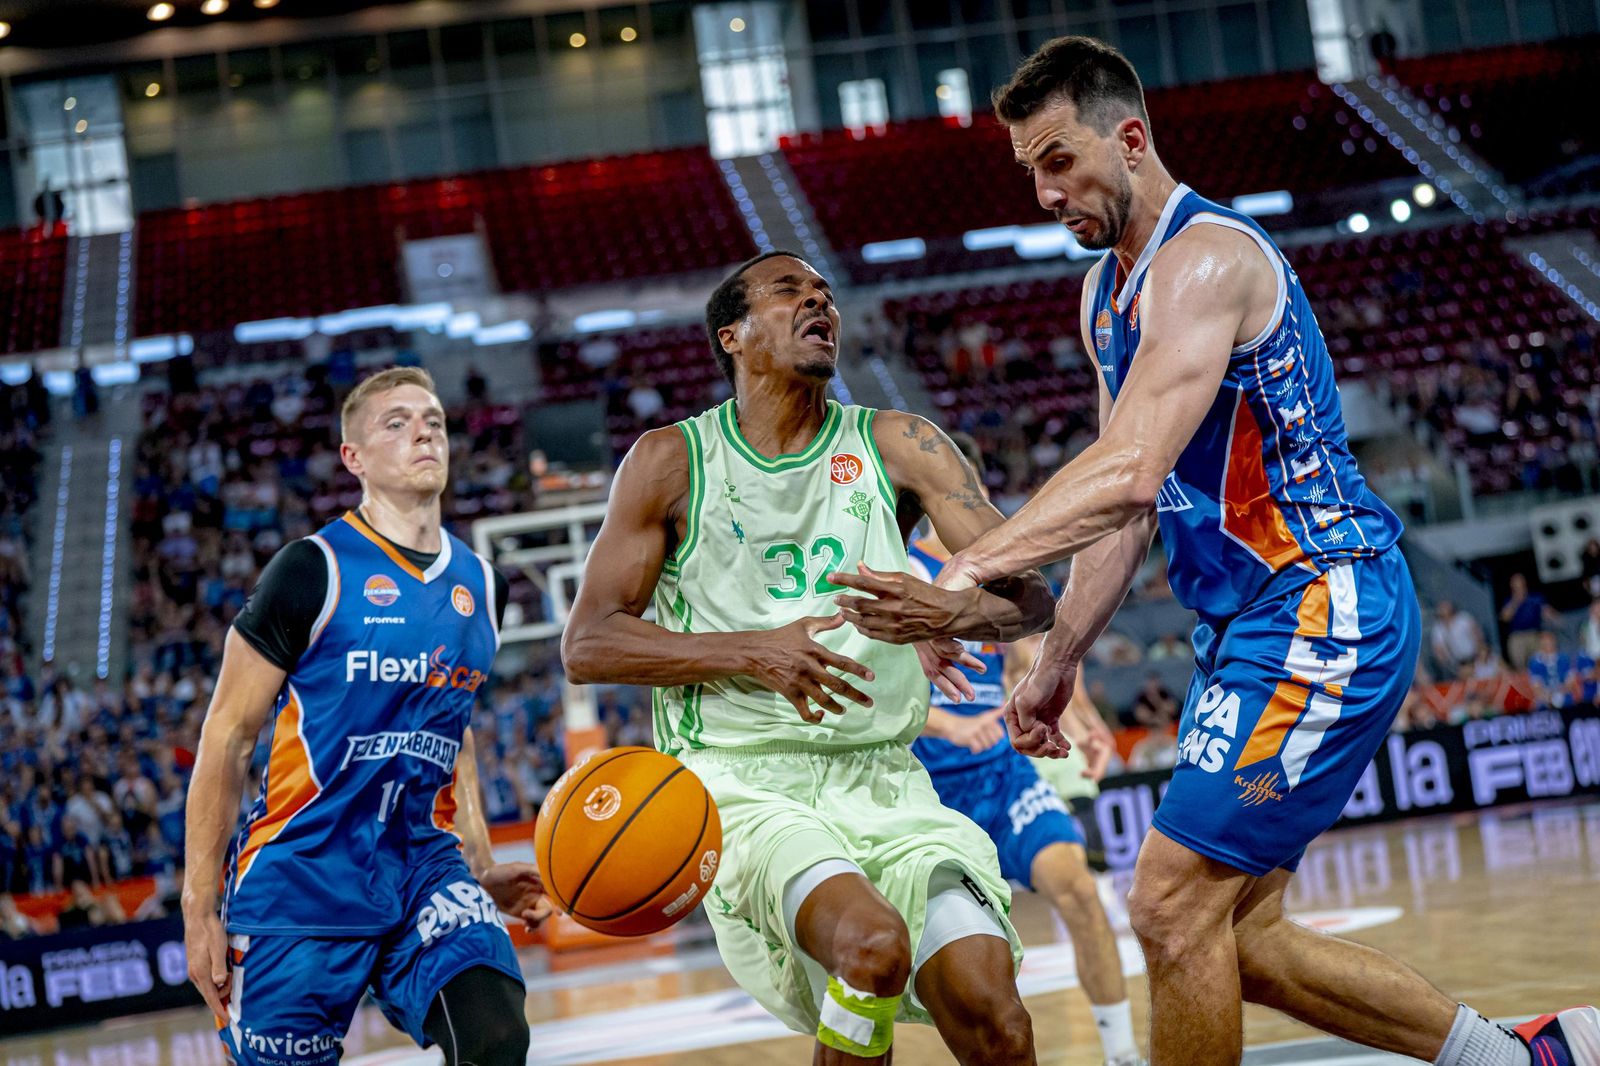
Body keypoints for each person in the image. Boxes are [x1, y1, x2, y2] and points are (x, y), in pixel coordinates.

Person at [845, 35, 1597, 1066]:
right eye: (1029, 169)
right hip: (1247, 622)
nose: (1043, 189)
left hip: (1322, 597)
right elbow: (1125, 513)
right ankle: (1523, 1058)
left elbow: (1129, 470)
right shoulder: (1101, 295)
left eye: (1058, 158)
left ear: (1130, 136)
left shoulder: (1206, 258)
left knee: (1164, 905)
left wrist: (963, 570)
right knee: (1240, 937)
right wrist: (1056, 663)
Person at [563, 250, 1056, 1064]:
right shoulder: (669, 460)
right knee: (871, 948)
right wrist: (752, 653)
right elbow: (587, 643)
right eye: (789, 291)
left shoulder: (902, 445)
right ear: (733, 334)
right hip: (743, 781)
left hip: (885, 780)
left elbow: (1031, 600)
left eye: (824, 294)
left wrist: (952, 606)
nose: (816, 302)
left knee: (1000, 1022)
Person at [183, 367, 546, 1066]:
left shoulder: (483, 585)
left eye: (434, 421)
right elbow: (227, 737)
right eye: (397, 422)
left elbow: (452, 724)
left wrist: (478, 862)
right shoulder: (311, 569)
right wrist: (199, 906)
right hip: (305, 870)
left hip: (421, 865)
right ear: (355, 458)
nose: (423, 433)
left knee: (497, 1038)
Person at [900, 438, 1141, 1066]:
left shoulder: (1007, 577)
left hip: (1002, 779)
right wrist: (948, 727)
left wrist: (1082, 719)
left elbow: (1032, 663)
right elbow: (865, 689)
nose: (977, 511)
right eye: (964, 500)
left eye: (978, 499)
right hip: (926, 790)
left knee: (1082, 895)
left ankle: (1122, 1055)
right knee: (948, 965)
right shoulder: (902, 570)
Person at [1500, 572, 1559, 670]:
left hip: (1534, 635)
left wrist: (1551, 616)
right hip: (1517, 637)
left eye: (1520, 581)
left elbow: (1546, 610)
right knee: (1520, 665)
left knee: (1539, 661)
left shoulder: (1535, 598)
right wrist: (1516, 601)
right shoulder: (1508, 601)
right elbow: (1505, 617)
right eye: (1515, 582)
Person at [1429, 600, 1484, 679]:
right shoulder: (1438, 627)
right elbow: (1438, 648)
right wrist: (1450, 666)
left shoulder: (1463, 618)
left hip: (1474, 658)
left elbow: (1477, 635)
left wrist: (1480, 655)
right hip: (1457, 665)